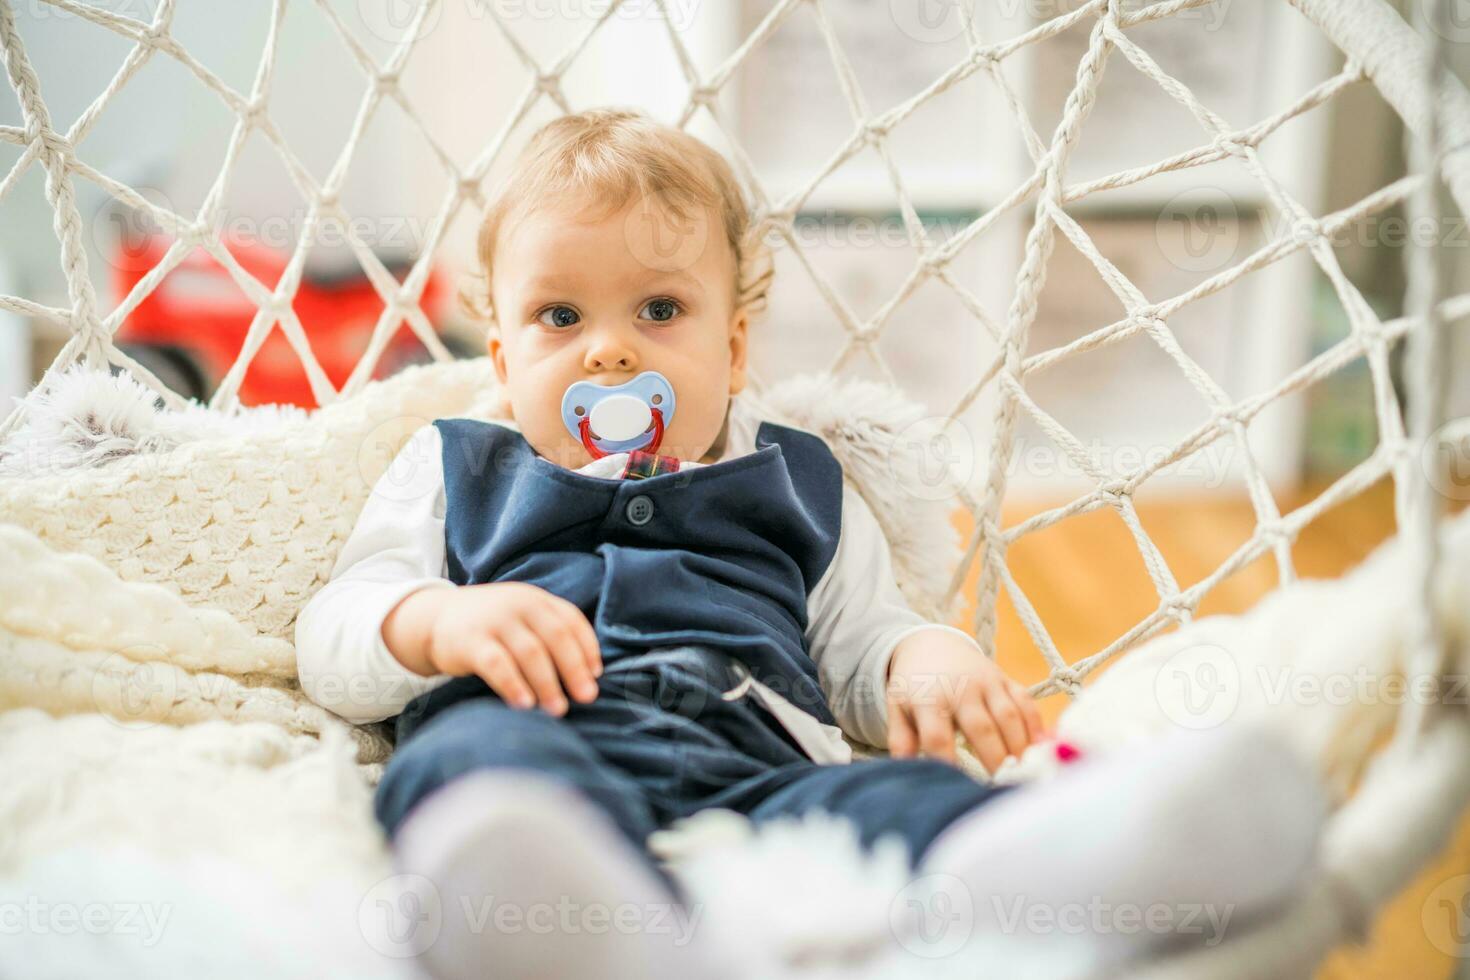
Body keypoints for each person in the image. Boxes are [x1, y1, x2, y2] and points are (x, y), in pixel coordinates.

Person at [295, 109, 1323, 980]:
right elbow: (335, 632)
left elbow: (864, 633)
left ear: (732, 348)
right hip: (534, 733)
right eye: (560, 315)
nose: (610, 349)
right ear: (505, 352)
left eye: (661, 310)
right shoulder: (456, 464)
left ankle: (1056, 866)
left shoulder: (799, 475)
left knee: (901, 796)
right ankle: (561, 914)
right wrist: (438, 620)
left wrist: (926, 658)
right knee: (476, 781)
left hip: (762, 756)